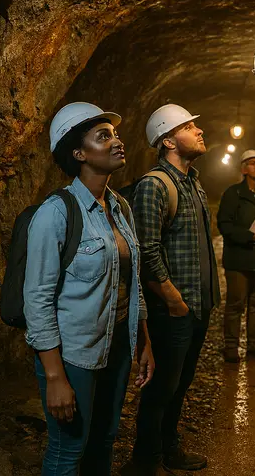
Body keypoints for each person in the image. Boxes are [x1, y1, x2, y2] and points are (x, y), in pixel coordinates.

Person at [24, 102, 154, 476]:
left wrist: (143, 341)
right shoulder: (56, 212)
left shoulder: (120, 207)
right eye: (103, 136)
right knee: (68, 451)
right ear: (79, 154)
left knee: (104, 439)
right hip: (74, 354)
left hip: (117, 344)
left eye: (115, 134)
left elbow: (131, 281)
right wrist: (54, 377)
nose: (117, 142)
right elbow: (37, 299)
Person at [125, 104, 220, 475]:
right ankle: (145, 460)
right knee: (162, 386)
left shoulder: (193, 182)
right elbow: (146, 250)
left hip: (197, 305)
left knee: (180, 384)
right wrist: (173, 299)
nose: (199, 130)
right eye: (189, 127)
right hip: (173, 310)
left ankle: (169, 447)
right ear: (167, 141)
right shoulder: (154, 185)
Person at [217, 150, 255, 362]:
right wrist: (252, 236)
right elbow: (225, 225)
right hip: (240, 257)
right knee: (236, 303)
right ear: (244, 169)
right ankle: (231, 346)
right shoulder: (233, 194)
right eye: (253, 163)